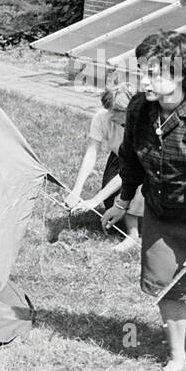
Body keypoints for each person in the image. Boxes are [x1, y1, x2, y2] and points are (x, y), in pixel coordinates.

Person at [102, 30, 186, 371]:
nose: (142, 80)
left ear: (179, 75)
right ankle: (178, 357)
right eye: (141, 71)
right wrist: (123, 200)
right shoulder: (139, 109)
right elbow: (130, 159)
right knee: (166, 285)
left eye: (152, 73)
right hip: (161, 211)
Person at [66, 88, 143, 253]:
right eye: (109, 110)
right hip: (119, 156)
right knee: (110, 201)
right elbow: (91, 153)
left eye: (117, 111)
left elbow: (129, 171)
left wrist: (95, 199)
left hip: (141, 163)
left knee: (129, 193)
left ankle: (133, 234)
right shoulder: (102, 117)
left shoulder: (140, 125)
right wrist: (76, 190)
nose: (111, 115)